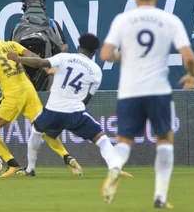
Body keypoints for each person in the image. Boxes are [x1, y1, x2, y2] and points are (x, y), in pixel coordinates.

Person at [99, 0, 194, 207]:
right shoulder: (169, 20)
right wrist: (192, 75)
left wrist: (124, 57)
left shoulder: (123, 19)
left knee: (124, 140)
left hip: (129, 91)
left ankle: (115, 168)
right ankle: (160, 197)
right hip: (158, 90)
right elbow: (189, 57)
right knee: (164, 139)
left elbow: (105, 55)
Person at [0, 24, 82, 178]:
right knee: (42, 127)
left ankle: (13, 165)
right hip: (29, 91)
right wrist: (46, 69)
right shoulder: (10, 45)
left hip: (12, 94)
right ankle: (67, 157)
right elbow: (33, 56)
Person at [7, 33, 132, 177]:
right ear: (94, 52)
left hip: (52, 110)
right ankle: (115, 167)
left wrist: (18, 58)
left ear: (79, 47)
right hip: (75, 112)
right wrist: (76, 111)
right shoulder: (96, 71)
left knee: (36, 131)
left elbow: (40, 63)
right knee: (101, 138)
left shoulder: (63, 57)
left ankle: (30, 168)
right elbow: (86, 99)